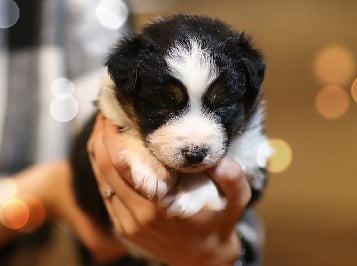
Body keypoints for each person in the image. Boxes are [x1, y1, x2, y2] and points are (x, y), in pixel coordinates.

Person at [0, 1, 264, 265]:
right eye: (163, 104)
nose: (195, 143)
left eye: (220, 105)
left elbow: (241, 220)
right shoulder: (127, 76)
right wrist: (43, 190)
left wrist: (229, 255)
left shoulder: (88, 11)